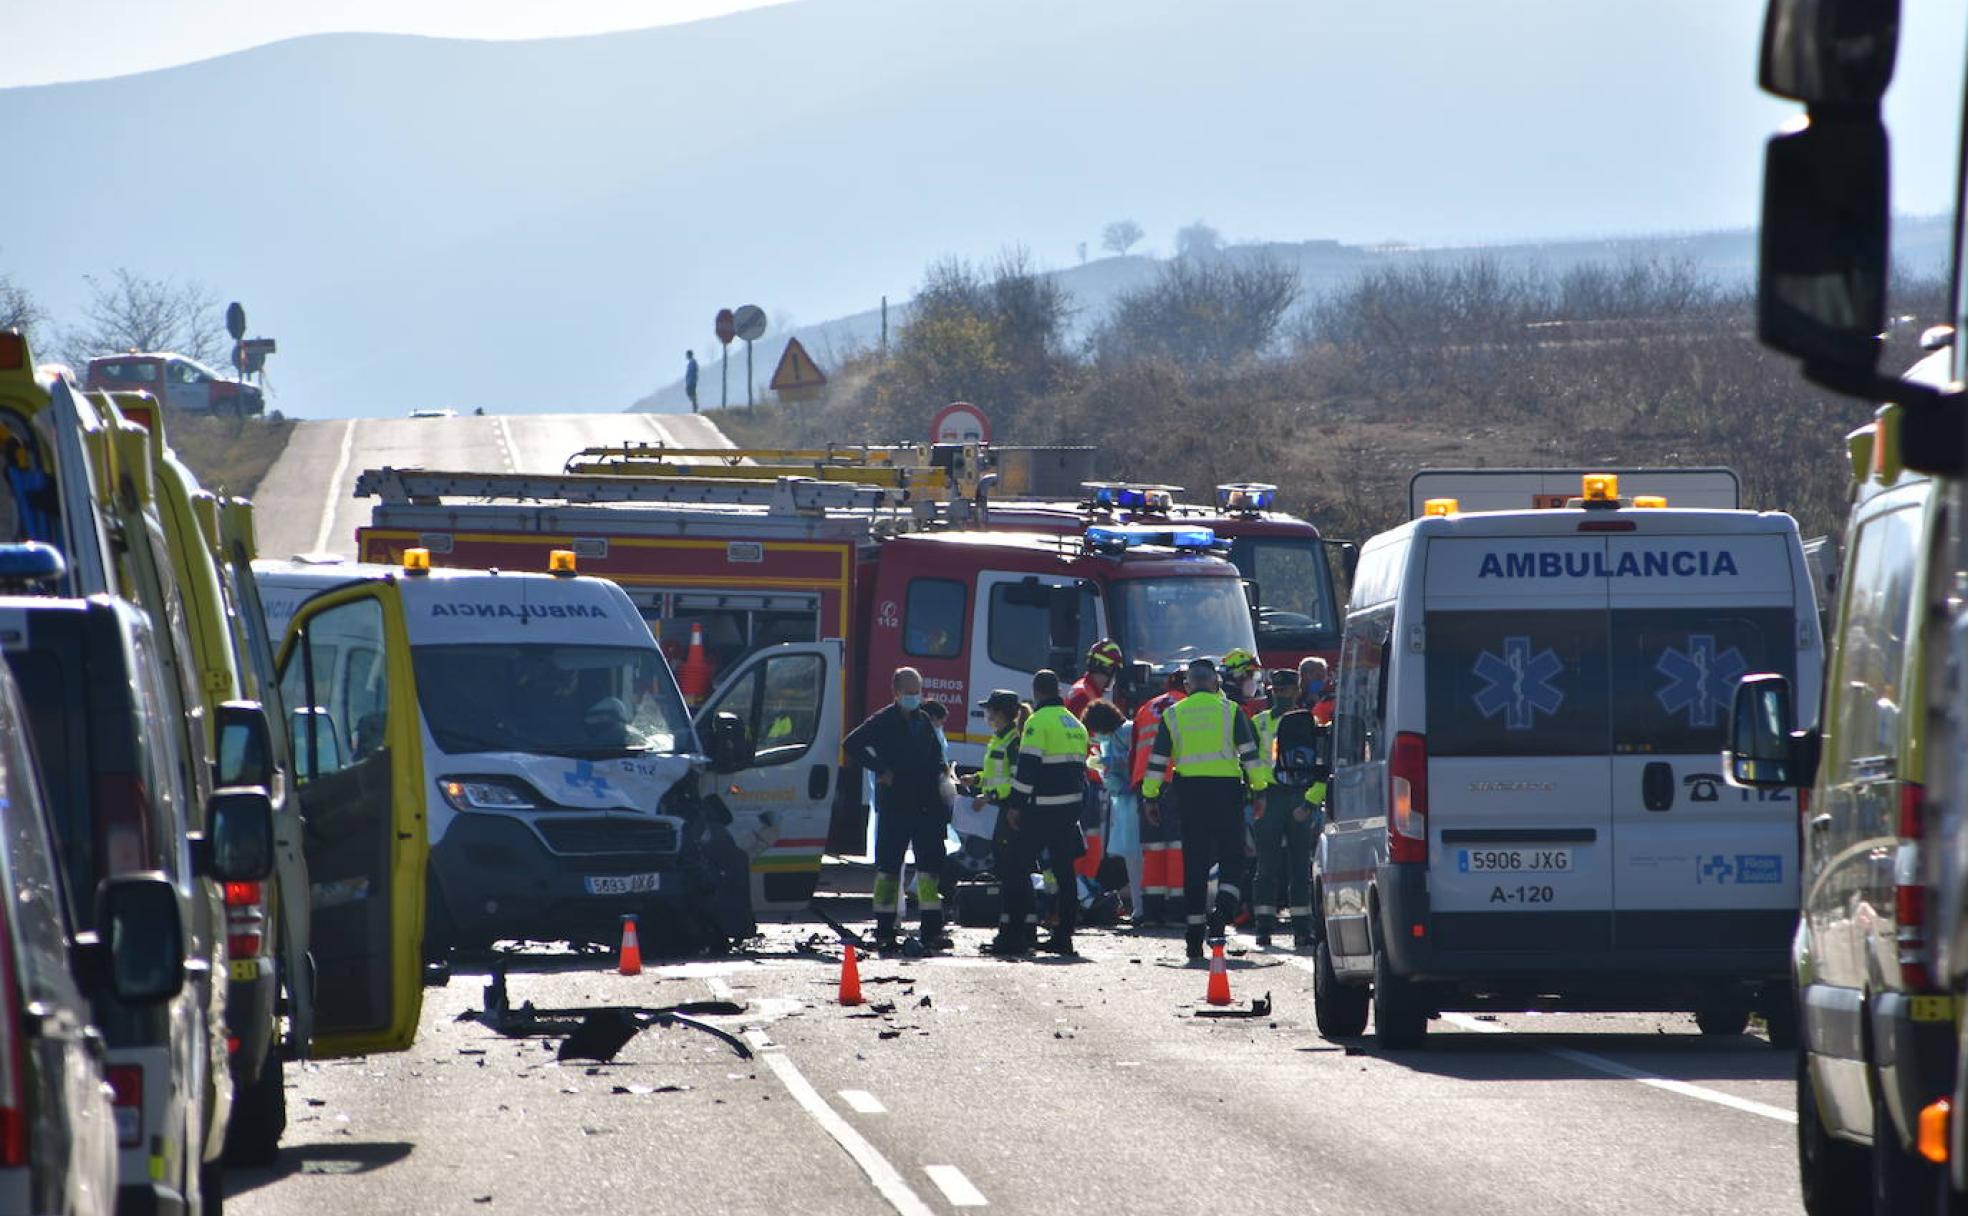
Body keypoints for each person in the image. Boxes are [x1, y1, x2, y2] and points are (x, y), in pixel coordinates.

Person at [1142, 657, 1269, 960]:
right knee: (1233, 859)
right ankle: (1221, 914)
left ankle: (1193, 938)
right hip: (1226, 793)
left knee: (1195, 864)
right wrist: (1260, 790)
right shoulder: (1231, 711)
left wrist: (1150, 797)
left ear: (1187, 686)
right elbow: (1251, 757)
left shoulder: (1174, 714)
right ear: (1216, 684)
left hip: (1190, 794)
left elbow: (1157, 761)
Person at [842, 667, 951, 953]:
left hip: (926, 805)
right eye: (910, 693)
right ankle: (885, 929)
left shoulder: (924, 720)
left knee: (928, 871)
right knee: (889, 870)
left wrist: (945, 777)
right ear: (897, 693)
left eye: (918, 692)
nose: (915, 698)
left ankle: (931, 929)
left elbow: (937, 757)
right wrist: (881, 769)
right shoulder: (883, 721)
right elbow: (851, 744)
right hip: (896, 805)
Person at [991, 670, 1090, 957]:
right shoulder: (1075, 723)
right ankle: (1064, 937)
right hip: (1069, 809)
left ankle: (1017, 934)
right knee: (1064, 871)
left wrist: (1015, 806)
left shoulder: (1037, 721)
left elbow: (1027, 769)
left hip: (1043, 808)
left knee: (1016, 865)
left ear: (1036, 692)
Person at [1250, 669, 1315, 947]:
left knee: (1301, 867)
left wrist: (1311, 802)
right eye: (1276, 691)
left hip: (1299, 796)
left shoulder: (1310, 722)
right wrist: (1254, 795)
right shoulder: (1259, 723)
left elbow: (1321, 767)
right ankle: (1263, 925)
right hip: (1269, 797)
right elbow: (1248, 761)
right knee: (1266, 866)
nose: (1281, 695)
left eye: (1286, 690)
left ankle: (1302, 927)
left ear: (1297, 690)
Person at [1130, 667, 1187, 926]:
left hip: (1145, 782)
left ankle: (1151, 911)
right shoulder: (1188, 706)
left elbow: (1135, 749)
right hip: (1176, 781)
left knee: (1152, 848)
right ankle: (1176, 910)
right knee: (1177, 846)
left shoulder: (1147, 707)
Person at [1085, 699, 1139, 919]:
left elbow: (1134, 759)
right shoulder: (1111, 738)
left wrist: (1105, 761)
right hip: (1123, 801)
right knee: (1130, 858)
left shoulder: (1127, 731)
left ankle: (1141, 906)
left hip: (1133, 799)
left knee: (1137, 858)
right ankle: (1138, 906)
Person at [1066, 639, 1125, 718]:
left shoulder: (1085, 689)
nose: (1112, 678)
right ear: (1104, 668)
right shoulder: (1083, 697)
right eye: (1112, 671)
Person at [1298, 656, 1335, 726]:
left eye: (1323, 676)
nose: (1321, 680)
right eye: (1317, 676)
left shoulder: (1329, 700)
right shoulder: (1294, 698)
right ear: (1303, 675)